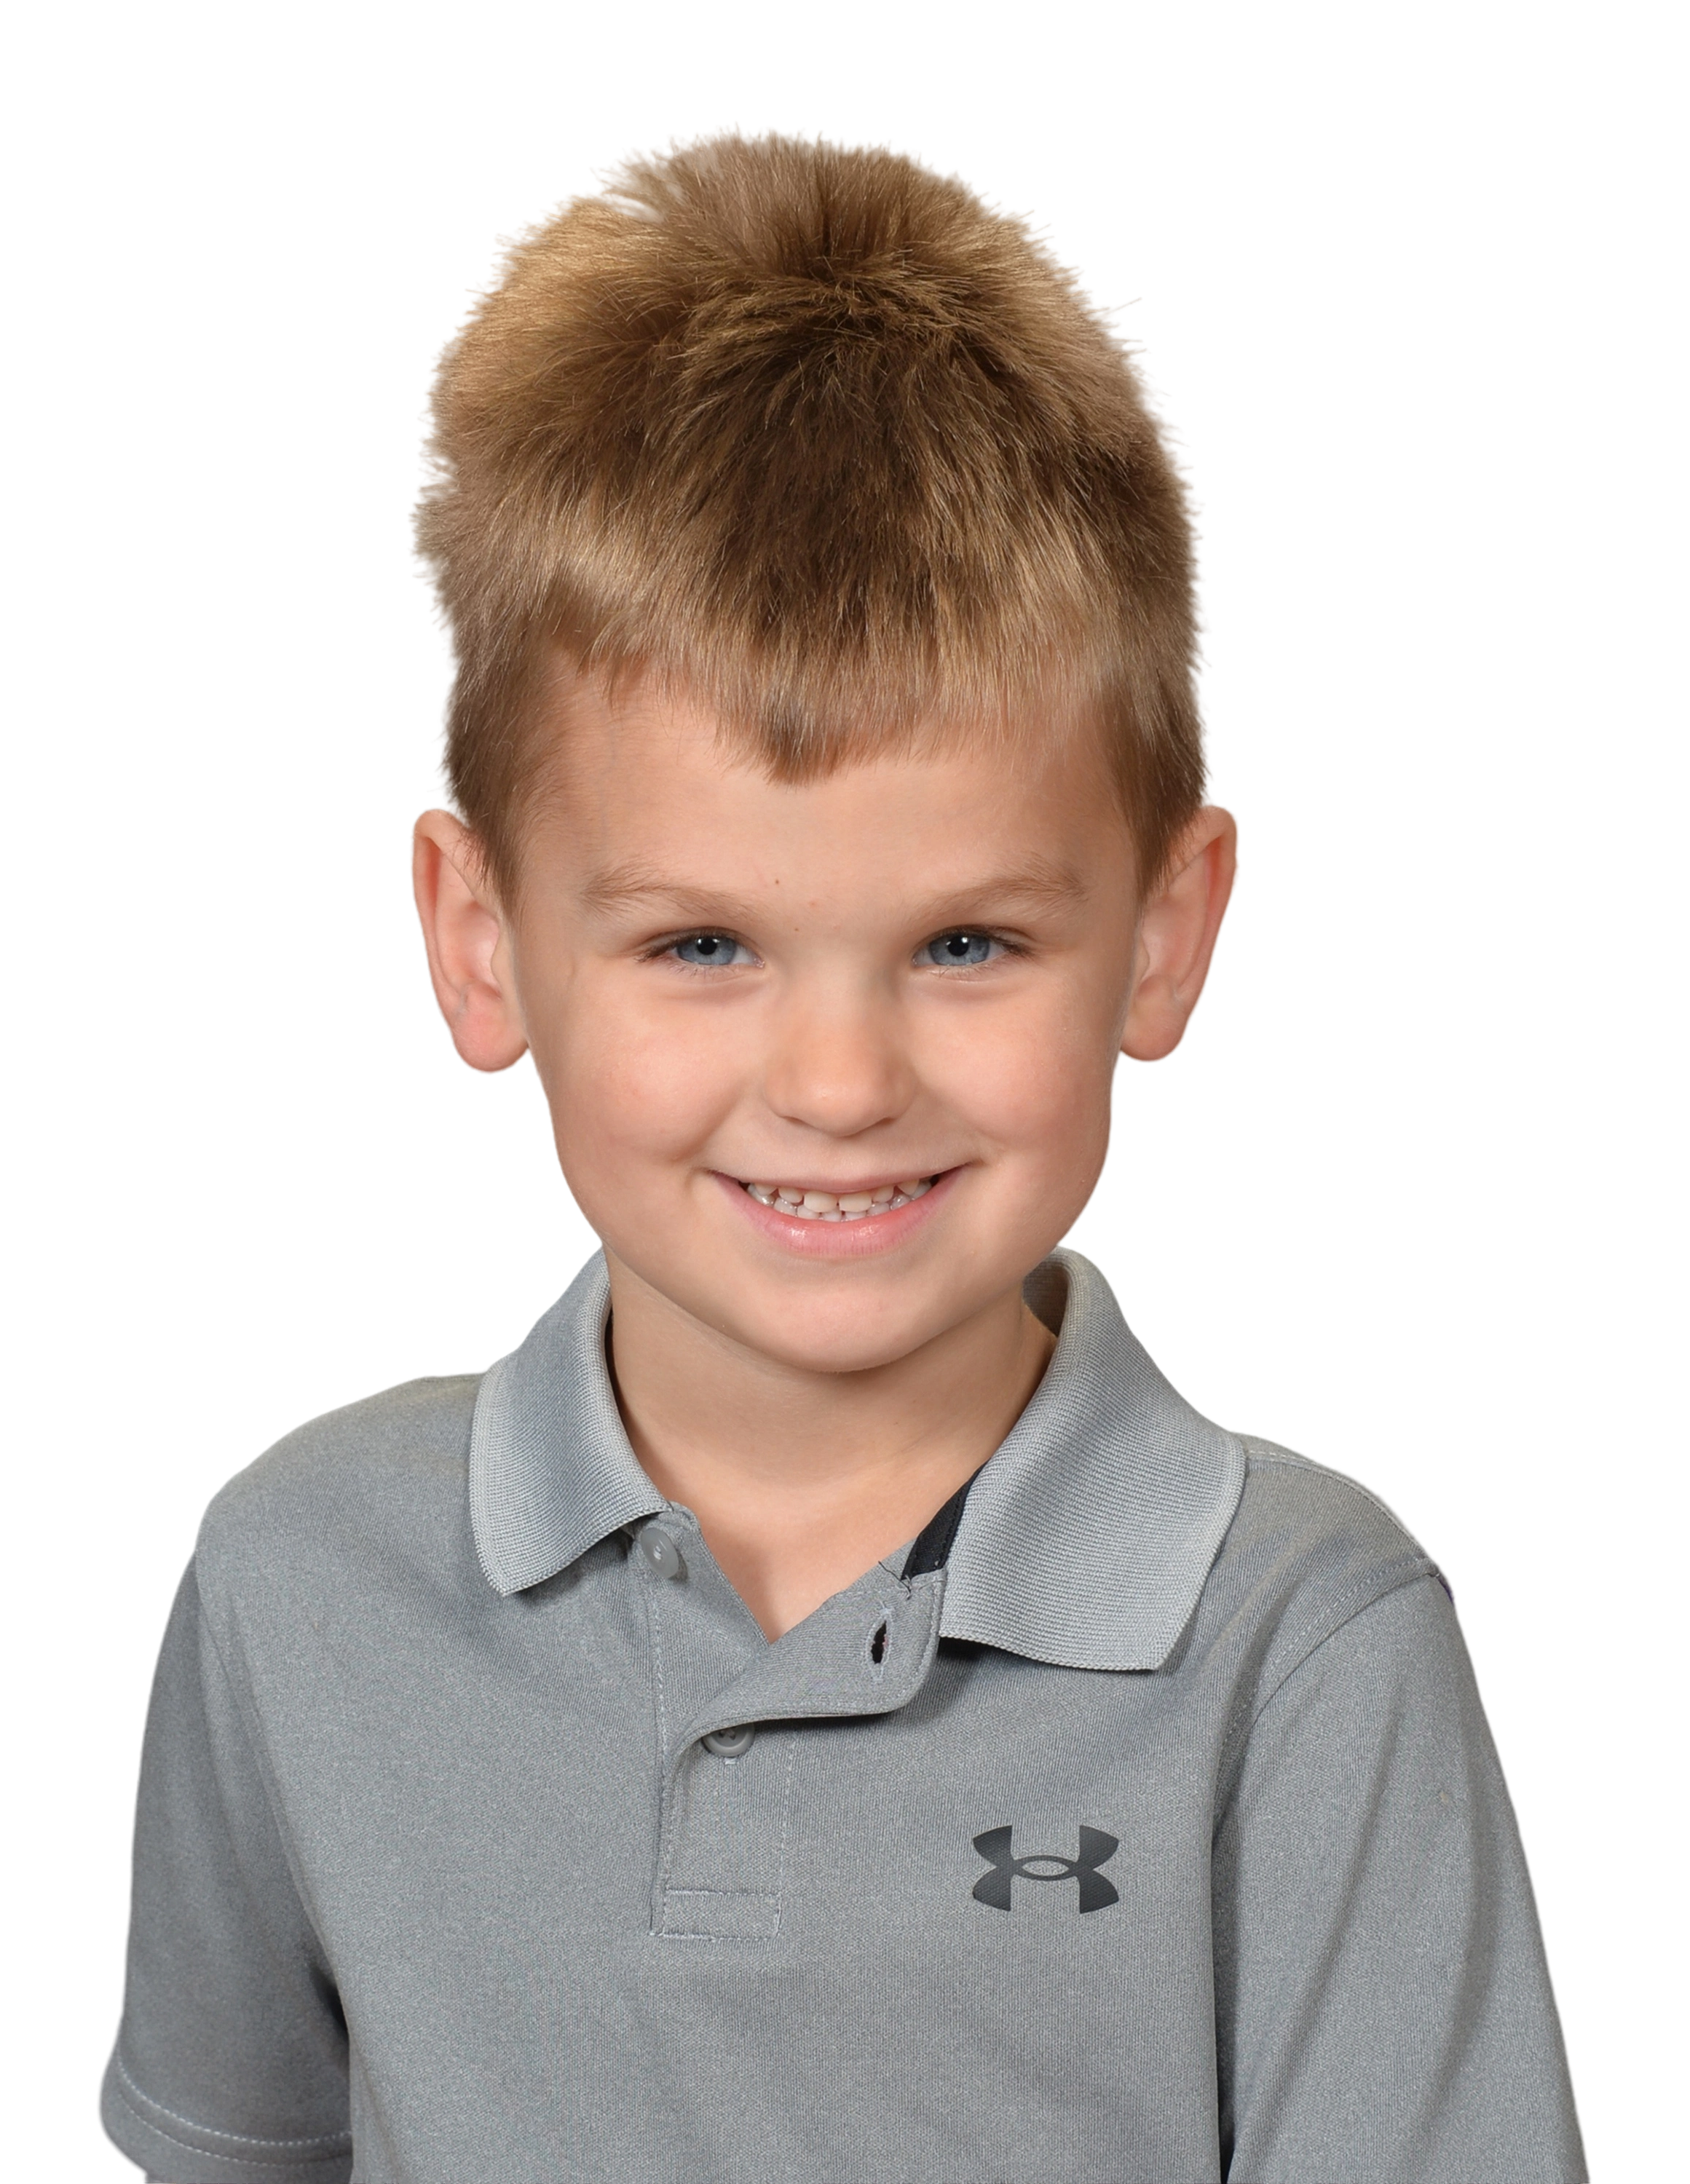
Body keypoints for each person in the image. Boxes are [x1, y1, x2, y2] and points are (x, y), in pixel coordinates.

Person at [95, 122, 1591, 2184]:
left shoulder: (1307, 1646)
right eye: (700, 944)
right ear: (480, 941)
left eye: (966, 943)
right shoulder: (300, 1579)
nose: (837, 1079)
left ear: (1165, 937)